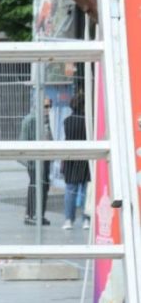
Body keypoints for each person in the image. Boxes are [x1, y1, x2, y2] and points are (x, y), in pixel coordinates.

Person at [21, 97, 53, 226]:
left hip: (44, 157)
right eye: (45, 106)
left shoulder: (46, 120)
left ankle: (39, 214)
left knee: (44, 185)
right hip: (35, 159)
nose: (48, 109)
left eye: (49, 106)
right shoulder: (31, 120)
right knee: (35, 185)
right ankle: (31, 214)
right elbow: (25, 140)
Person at [62, 92, 90, 230]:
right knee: (85, 190)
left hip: (70, 158)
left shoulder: (67, 121)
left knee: (70, 190)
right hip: (86, 158)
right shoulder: (89, 120)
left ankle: (68, 220)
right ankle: (86, 219)